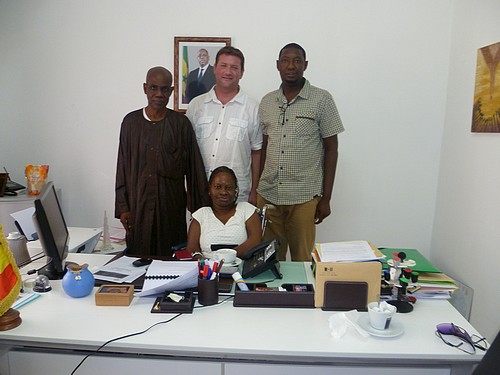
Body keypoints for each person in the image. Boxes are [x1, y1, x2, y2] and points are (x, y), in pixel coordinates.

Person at [257, 43, 345, 262]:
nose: (291, 66)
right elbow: (264, 146)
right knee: (268, 262)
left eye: (297, 61)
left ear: (305, 65)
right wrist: (257, 189)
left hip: (303, 198)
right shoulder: (267, 101)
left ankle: (301, 297)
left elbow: (331, 149)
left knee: (302, 262)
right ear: (278, 65)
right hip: (268, 196)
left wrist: (326, 198)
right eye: (285, 60)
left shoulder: (322, 99)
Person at [115, 66, 210, 257]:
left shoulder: (180, 124)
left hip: (171, 209)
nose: (159, 94)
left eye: (164, 89)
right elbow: (122, 167)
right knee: (138, 261)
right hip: (138, 209)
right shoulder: (130, 123)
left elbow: (194, 169)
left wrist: (199, 214)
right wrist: (123, 208)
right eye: (153, 88)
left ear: (171, 91)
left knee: (171, 261)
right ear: (145, 88)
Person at [186, 46, 262, 205]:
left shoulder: (253, 108)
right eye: (223, 65)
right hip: (201, 191)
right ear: (214, 68)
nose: (228, 72)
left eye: (234, 67)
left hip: (237, 195)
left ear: (242, 72)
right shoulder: (196, 106)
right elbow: (186, 151)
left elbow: (257, 153)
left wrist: (254, 191)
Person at [186, 166, 262, 259]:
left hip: (241, 266)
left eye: (229, 188)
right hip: (208, 267)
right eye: (218, 187)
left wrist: (228, 256)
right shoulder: (201, 214)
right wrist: (202, 260)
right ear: (210, 189)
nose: (223, 192)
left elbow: (256, 241)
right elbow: (192, 247)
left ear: (235, 190)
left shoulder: (246, 209)